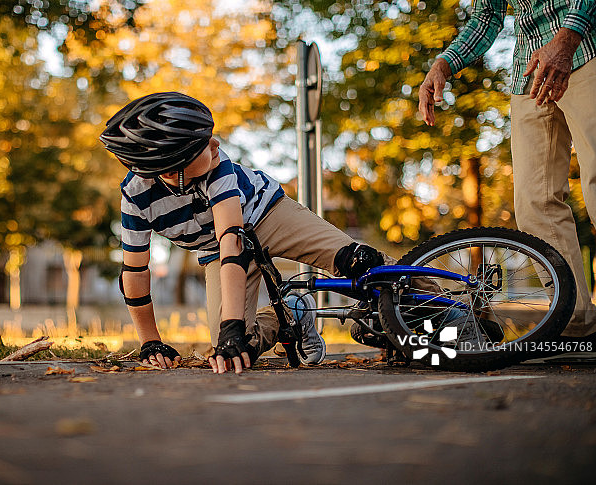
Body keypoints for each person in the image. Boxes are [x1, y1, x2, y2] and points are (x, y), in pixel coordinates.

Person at [100, 92, 398, 374]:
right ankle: (293, 312)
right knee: (233, 350)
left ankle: (435, 304)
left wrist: (232, 322)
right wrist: (150, 340)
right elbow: (135, 271)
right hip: (217, 249)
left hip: (267, 215)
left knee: (358, 260)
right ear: (170, 172)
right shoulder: (135, 197)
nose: (215, 144)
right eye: (203, 145)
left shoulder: (218, 168)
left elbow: (233, 239)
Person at [418, 0, 596, 362]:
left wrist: (567, 36)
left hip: (589, 49)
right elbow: (487, 14)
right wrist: (444, 65)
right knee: (535, 204)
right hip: (529, 69)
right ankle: (575, 330)